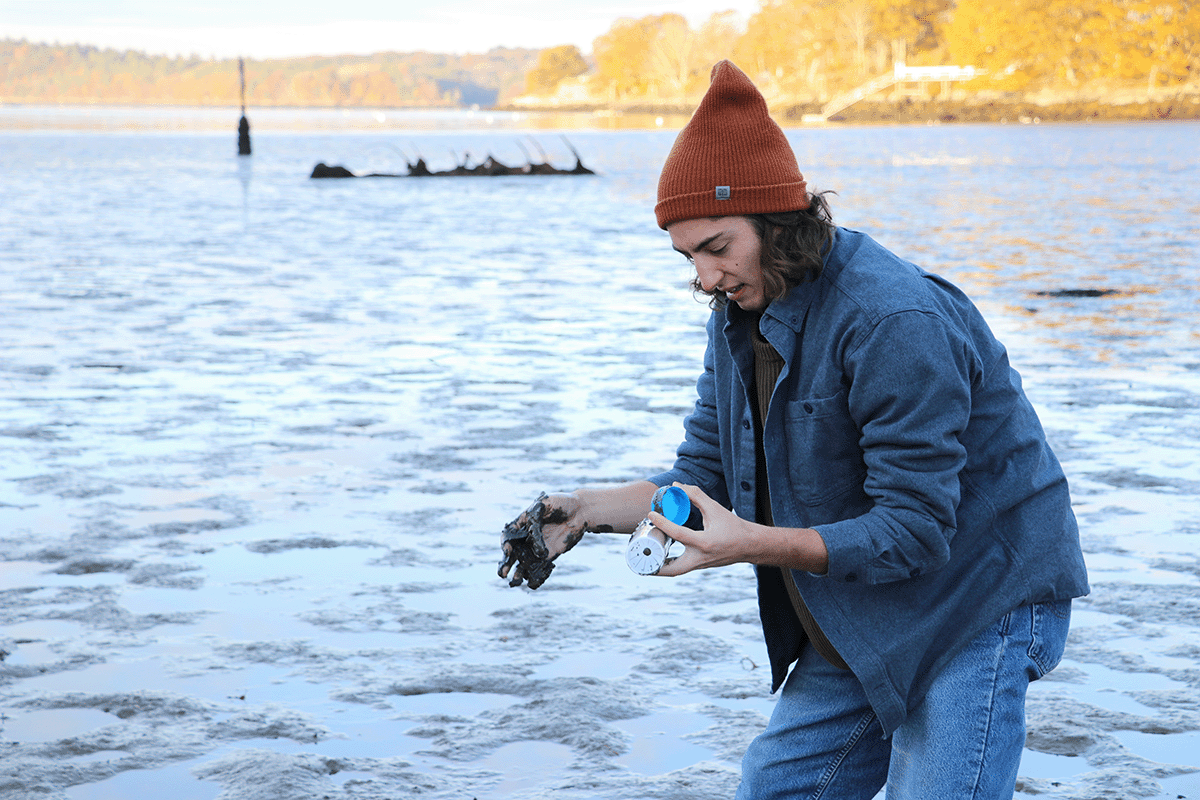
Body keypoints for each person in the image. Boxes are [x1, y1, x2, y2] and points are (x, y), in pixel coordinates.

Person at [498, 60, 1089, 799]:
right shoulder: (738, 314)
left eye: (718, 246)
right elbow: (703, 478)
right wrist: (585, 510)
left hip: (981, 592)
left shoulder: (892, 321)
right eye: (688, 257)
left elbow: (915, 530)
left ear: (778, 223)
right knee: (775, 789)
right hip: (870, 594)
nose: (706, 275)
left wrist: (750, 544)